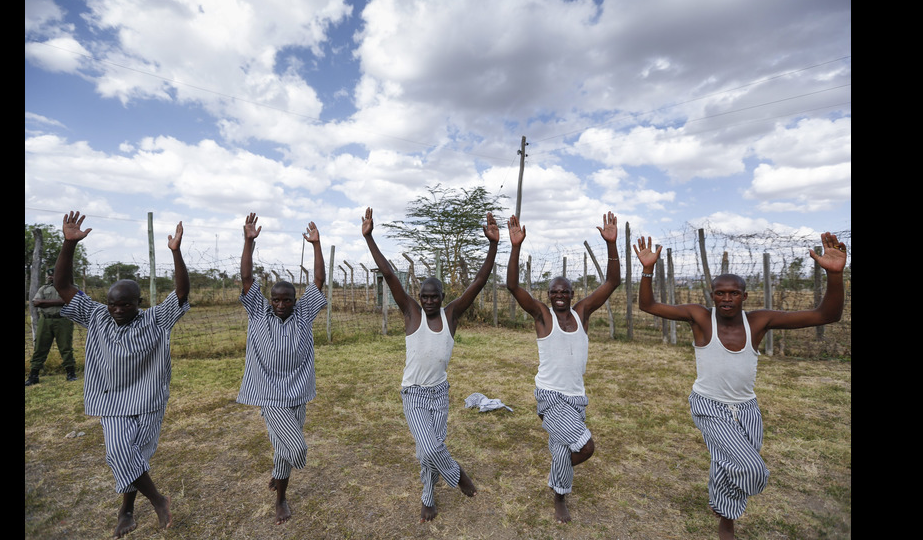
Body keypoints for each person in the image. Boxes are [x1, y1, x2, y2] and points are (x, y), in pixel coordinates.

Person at [632, 232, 847, 540]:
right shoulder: (699, 318)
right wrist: (648, 269)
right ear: (712, 296)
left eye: (734, 293)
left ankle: (725, 518)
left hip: (747, 408)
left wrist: (835, 276)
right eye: (720, 294)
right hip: (709, 405)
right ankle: (731, 501)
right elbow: (648, 305)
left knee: (727, 461)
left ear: (745, 297)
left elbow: (827, 315)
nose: (727, 299)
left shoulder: (759, 321)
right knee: (750, 470)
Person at [54, 211, 190, 538]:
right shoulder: (97, 315)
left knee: (136, 455)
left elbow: (182, 294)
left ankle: (126, 510)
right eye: (113, 304)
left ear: (138, 303)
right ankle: (158, 500)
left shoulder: (156, 319)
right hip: (111, 400)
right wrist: (68, 245)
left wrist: (175, 253)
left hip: (148, 399)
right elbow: (62, 285)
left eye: (124, 305)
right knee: (119, 452)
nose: (117, 310)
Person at [361, 207, 498, 522]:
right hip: (414, 394)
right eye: (424, 296)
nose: (429, 300)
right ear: (418, 297)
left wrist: (492, 245)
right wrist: (370, 238)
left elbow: (478, 281)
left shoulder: (451, 315)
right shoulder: (411, 313)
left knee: (429, 449)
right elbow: (392, 275)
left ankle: (428, 497)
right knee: (429, 447)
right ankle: (458, 476)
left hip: (439, 393)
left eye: (434, 296)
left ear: (442, 296)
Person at [505, 212, 621, 523]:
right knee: (585, 448)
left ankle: (559, 496)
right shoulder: (543, 315)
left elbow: (612, 282)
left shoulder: (582, 313)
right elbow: (513, 286)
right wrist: (515, 247)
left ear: (572, 295)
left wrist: (612, 244)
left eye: (564, 292)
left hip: (576, 398)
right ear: (548, 296)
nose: (559, 296)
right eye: (554, 292)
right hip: (551, 397)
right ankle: (560, 480)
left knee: (560, 451)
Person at [237, 212, 327, 526]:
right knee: (295, 445)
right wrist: (248, 242)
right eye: (276, 299)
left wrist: (317, 246)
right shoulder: (259, 312)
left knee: (281, 447)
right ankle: (282, 494)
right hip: (269, 392)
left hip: (299, 391)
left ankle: (280, 486)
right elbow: (247, 279)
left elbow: (317, 282)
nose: (280, 304)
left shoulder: (304, 313)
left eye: (286, 299)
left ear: (294, 300)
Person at [25, 267, 78, 385]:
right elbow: (35, 302)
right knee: (40, 347)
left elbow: (71, 300)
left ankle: (71, 373)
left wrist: (44, 302)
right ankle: (34, 375)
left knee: (66, 347)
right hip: (46, 321)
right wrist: (60, 301)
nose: (50, 277)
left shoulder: (70, 287)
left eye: (53, 275)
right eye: (49, 275)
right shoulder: (44, 288)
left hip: (63, 320)